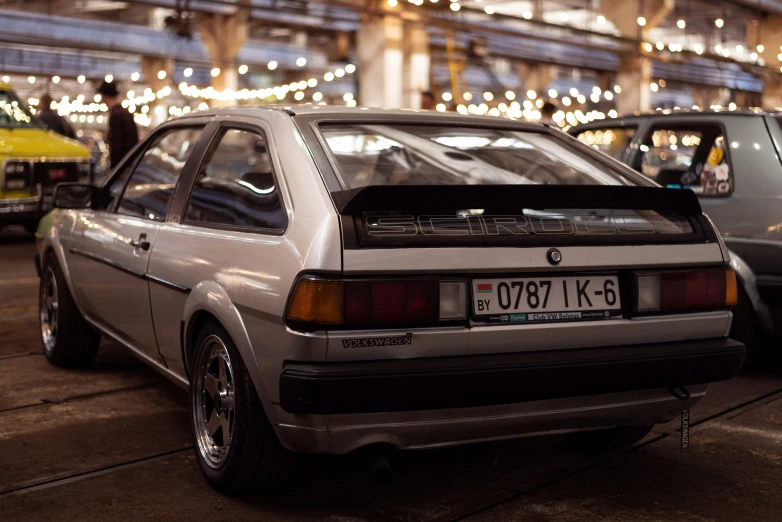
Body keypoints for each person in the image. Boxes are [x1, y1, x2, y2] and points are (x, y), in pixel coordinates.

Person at [98, 80, 139, 168]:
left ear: (105, 96)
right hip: (131, 163)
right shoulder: (125, 113)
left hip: (122, 167)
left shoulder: (116, 115)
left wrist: (115, 169)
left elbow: (117, 146)